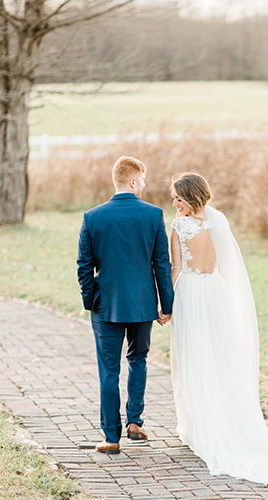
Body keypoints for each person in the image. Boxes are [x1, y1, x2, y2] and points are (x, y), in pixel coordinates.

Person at [168, 172, 268, 486]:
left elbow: (175, 268)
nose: (174, 204)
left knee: (193, 356)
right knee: (220, 357)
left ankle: (199, 428)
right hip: (216, 293)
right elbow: (226, 265)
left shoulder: (178, 226)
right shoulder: (219, 222)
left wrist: (166, 306)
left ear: (190, 198)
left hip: (189, 292)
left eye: (178, 198)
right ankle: (220, 422)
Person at [77, 156, 174, 454]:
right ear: (133, 181)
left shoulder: (93, 217)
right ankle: (135, 421)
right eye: (143, 180)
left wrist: (92, 300)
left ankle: (111, 437)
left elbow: (84, 266)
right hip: (143, 305)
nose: (145, 184)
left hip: (106, 306)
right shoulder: (153, 215)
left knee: (109, 370)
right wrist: (166, 304)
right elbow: (161, 264)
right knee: (139, 359)